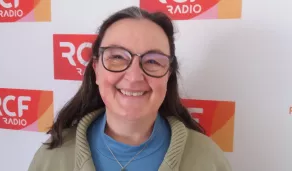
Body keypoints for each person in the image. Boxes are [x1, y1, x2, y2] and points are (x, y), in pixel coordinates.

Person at [28, 6, 232, 171]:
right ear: (96, 69)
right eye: (117, 57)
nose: (134, 77)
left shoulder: (208, 161)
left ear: (168, 74)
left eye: (152, 60)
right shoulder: (51, 159)